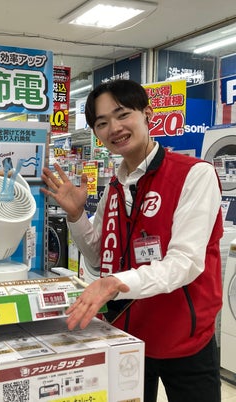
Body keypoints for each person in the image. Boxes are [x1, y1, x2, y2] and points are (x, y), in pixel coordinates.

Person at [41, 79, 223, 402]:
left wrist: (114, 283)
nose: (114, 128)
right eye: (102, 123)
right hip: (127, 334)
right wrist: (76, 215)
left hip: (185, 338)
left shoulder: (195, 174)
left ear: (147, 114)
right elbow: (98, 256)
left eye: (122, 114)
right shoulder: (115, 187)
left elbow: (185, 262)